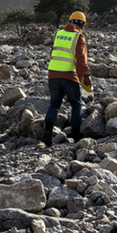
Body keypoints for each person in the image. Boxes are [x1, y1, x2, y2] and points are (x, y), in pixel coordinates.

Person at [41, 11, 92, 147]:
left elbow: (53, 52)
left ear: (70, 21)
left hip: (53, 74)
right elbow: (81, 59)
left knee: (54, 104)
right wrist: (86, 76)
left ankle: (47, 133)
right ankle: (76, 135)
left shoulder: (58, 34)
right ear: (82, 24)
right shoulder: (78, 37)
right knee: (76, 104)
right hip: (69, 75)